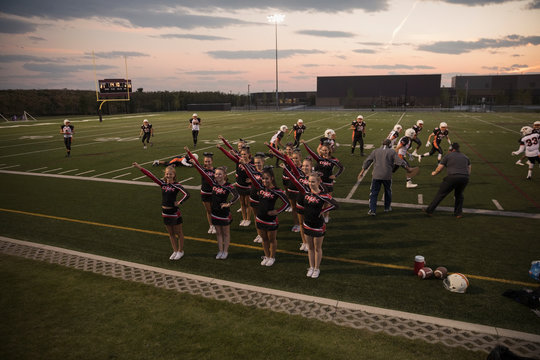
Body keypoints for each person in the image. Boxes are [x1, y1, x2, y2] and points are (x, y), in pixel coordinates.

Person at [284, 167, 338, 278]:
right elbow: (294, 180)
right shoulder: (305, 192)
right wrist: (286, 168)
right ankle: (311, 267)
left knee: (317, 248)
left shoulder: (323, 195)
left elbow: (336, 205)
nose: (310, 183)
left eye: (313, 181)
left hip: (318, 225)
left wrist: (323, 211)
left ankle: (317, 268)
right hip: (307, 224)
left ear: (319, 182)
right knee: (310, 247)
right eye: (309, 181)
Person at [187, 147, 239, 259]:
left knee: (226, 233)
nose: (217, 176)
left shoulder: (228, 186)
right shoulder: (213, 184)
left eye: (220, 174)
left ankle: (225, 251)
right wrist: (195, 164)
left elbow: (237, 195)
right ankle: (220, 251)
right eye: (216, 174)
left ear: (224, 175)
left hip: (224, 213)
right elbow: (203, 173)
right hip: (214, 213)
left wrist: (229, 203)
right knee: (218, 233)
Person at [132, 162, 190, 260]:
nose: (168, 175)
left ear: (174, 175)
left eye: (170, 174)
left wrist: (180, 202)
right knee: (171, 233)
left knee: (178, 232)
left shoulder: (177, 185)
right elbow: (150, 175)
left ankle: (180, 251)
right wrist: (139, 167)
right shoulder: (162, 184)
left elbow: (187, 194)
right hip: (165, 212)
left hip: (174, 212)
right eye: (167, 174)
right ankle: (175, 250)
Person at [242, 163, 289, 267]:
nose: (264, 181)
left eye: (267, 178)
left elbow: (287, 203)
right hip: (260, 218)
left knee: (272, 240)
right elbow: (251, 175)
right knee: (264, 239)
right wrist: (243, 164)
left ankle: (272, 257)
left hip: (271, 220)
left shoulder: (277, 191)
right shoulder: (260, 187)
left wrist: (277, 211)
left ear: (272, 178)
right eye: (263, 178)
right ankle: (267, 256)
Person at [358, 139, 412, 215]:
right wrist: (408, 168)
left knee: (374, 193)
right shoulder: (392, 152)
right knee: (388, 191)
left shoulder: (375, 151)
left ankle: (372, 210)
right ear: (390, 145)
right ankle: (387, 208)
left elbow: (368, 161)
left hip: (376, 175)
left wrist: (362, 172)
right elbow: (399, 162)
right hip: (387, 175)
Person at [424, 143, 471, 217]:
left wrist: (434, 173)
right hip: (465, 178)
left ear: (451, 149)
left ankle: (429, 210)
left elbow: (439, 168)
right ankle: (458, 213)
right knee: (459, 195)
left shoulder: (448, 156)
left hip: (452, 177)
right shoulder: (465, 157)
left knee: (441, 194)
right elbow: (469, 170)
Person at [218, 136, 253, 226]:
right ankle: (244, 218)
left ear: (249, 155)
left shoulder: (252, 163)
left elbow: (257, 173)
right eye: (242, 154)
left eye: (245, 154)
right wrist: (221, 148)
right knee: (242, 203)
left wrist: (252, 179)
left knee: (247, 204)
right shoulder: (239, 161)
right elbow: (229, 155)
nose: (243, 156)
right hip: (239, 185)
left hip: (248, 187)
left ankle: (248, 219)